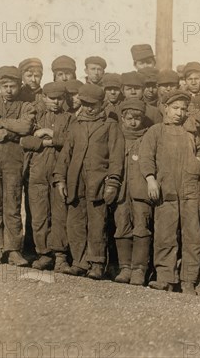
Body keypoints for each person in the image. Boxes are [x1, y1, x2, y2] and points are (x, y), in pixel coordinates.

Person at [53, 84, 124, 279]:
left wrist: (113, 182)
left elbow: (116, 157)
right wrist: (60, 178)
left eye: (92, 104)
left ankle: (97, 263)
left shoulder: (110, 126)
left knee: (97, 223)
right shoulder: (76, 124)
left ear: (102, 104)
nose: (88, 108)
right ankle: (79, 261)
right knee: (75, 221)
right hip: (75, 181)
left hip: (98, 181)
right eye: (84, 104)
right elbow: (65, 154)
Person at [139, 90, 200, 294]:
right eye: (175, 108)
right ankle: (165, 278)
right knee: (165, 235)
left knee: (192, 236)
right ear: (165, 108)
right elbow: (146, 156)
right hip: (165, 191)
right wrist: (151, 179)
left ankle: (188, 280)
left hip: (189, 191)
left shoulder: (190, 131)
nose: (179, 113)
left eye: (183, 109)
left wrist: (197, 161)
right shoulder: (156, 131)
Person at [0, 66, 36, 266]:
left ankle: (13, 249)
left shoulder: (26, 105)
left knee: (12, 203)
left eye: (13, 86)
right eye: (5, 86)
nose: (9, 90)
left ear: (20, 86)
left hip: (13, 159)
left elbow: (25, 127)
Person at [20, 82, 75, 271]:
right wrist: (45, 143)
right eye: (52, 98)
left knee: (60, 214)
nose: (56, 102)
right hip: (37, 171)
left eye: (60, 98)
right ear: (44, 97)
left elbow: (73, 140)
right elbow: (23, 139)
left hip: (60, 172)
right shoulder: (35, 116)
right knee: (39, 216)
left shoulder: (70, 118)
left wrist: (49, 135)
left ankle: (60, 256)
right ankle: (44, 254)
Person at [112, 99, 153, 286]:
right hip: (120, 191)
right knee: (121, 226)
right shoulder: (116, 135)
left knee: (141, 227)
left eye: (138, 118)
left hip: (141, 191)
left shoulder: (148, 137)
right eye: (130, 118)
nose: (134, 122)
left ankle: (139, 269)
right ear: (122, 118)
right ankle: (125, 267)